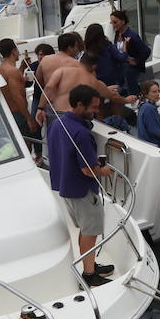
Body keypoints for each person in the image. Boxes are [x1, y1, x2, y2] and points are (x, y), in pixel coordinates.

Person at [45, 83, 117, 286]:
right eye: (93, 107)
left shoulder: (57, 123)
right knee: (91, 231)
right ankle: (88, 274)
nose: (96, 111)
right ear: (78, 105)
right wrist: (106, 171)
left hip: (66, 188)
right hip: (83, 190)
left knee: (85, 230)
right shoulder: (82, 133)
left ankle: (89, 265)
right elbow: (88, 170)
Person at [34, 31, 84, 136]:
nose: (78, 49)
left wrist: (40, 107)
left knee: (53, 138)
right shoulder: (76, 64)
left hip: (51, 107)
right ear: (70, 47)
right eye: (76, 46)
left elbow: (39, 80)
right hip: (68, 108)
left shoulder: (45, 60)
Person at [0, 37, 37, 147]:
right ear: (14, 51)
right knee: (26, 145)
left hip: (7, 114)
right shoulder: (12, 71)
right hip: (18, 114)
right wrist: (29, 118)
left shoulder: (0, 69)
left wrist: (22, 68)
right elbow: (17, 97)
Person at [108, 9, 151, 95]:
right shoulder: (117, 34)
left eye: (115, 22)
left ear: (123, 21)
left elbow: (146, 51)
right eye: (112, 23)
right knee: (123, 92)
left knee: (132, 93)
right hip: (121, 69)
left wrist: (136, 61)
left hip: (130, 69)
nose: (113, 25)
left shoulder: (132, 36)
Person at [83, 22, 126, 92]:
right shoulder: (108, 46)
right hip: (112, 80)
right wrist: (125, 49)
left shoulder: (88, 51)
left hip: (97, 81)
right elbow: (121, 58)